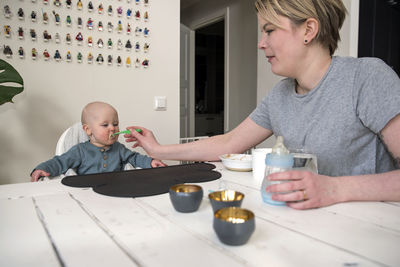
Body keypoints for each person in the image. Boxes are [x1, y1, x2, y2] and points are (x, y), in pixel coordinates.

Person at [124, 0, 400, 209]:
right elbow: (228, 143)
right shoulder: (279, 95)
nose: (260, 43)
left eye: (269, 30)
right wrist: (158, 148)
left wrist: (335, 189)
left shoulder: (366, 77)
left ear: (309, 29)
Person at [31, 102, 166, 182]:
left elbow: (134, 158)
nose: (112, 128)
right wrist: (43, 168)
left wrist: (150, 162)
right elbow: (60, 162)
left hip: (116, 190)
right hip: (87, 194)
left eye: (115, 124)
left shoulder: (119, 148)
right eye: (105, 125)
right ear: (88, 130)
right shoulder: (80, 151)